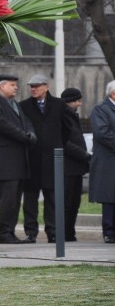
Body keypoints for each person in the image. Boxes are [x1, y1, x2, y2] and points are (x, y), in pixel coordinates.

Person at [18, 74, 77, 243]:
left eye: (37, 86)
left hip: (53, 159)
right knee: (30, 198)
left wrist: (57, 144)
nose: (33, 89)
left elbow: (67, 128)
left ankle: (52, 231)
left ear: (46, 86)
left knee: (52, 197)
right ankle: (31, 232)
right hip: (32, 158)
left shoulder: (59, 105)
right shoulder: (24, 106)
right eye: (31, 86)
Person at [0, 74, 37, 244]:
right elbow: (3, 126)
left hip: (19, 160)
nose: (16, 88)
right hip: (6, 161)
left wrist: (31, 133)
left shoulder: (14, 104)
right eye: (12, 85)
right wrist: (24, 136)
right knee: (8, 199)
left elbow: (26, 121)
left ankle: (10, 232)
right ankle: (5, 233)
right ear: (1, 87)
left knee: (15, 199)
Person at [60, 87, 91, 242]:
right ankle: (63, 233)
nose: (80, 104)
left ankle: (69, 232)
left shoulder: (71, 115)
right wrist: (84, 155)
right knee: (67, 202)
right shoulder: (62, 116)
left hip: (76, 167)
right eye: (78, 101)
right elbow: (64, 142)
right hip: (67, 167)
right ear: (70, 101)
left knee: (74, 202)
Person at [89, 80, 115, 244]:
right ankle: (109, 231)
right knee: (110, 197)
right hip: (108, 161)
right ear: (113, 93)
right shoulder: (101, 109)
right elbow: (102, 133)